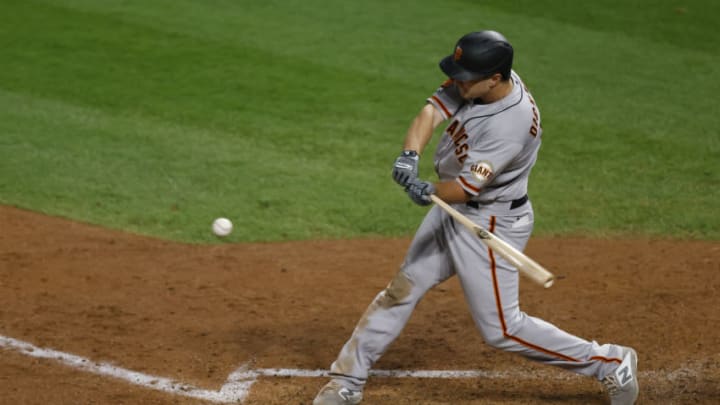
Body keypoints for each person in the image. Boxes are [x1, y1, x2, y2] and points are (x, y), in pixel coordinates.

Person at [312, 30, 639, 405]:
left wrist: (429, 190)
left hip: (490, 222)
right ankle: (346, 381)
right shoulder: (481, 82)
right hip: (457, 211)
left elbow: (466, 189)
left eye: (465, 78)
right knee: (402, 288)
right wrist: (409, 156)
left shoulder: (509, 125)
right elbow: (432, 111)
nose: (457, 82)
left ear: (494, 79)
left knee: (502, 329)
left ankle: (610, 362)